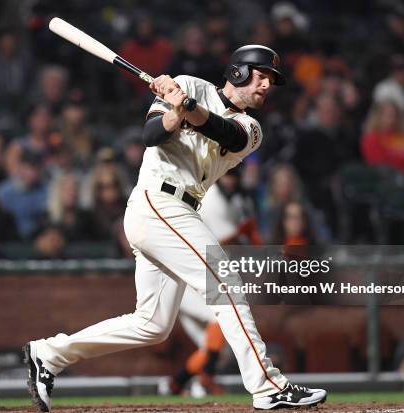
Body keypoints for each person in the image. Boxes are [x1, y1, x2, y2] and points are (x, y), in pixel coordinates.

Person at [24, 45, 327, 411]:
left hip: (178, 211)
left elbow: (223, 131)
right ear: (238, 73)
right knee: (225, 283)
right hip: (157, 201)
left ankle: (50, 353)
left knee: (152, 324)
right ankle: (267, 386)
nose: (265, 86)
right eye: (260, 76)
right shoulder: (187, 84)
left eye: (270, 81)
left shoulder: (252, 128)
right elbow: (152, 135)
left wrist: (185, 108)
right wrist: (173, 109)